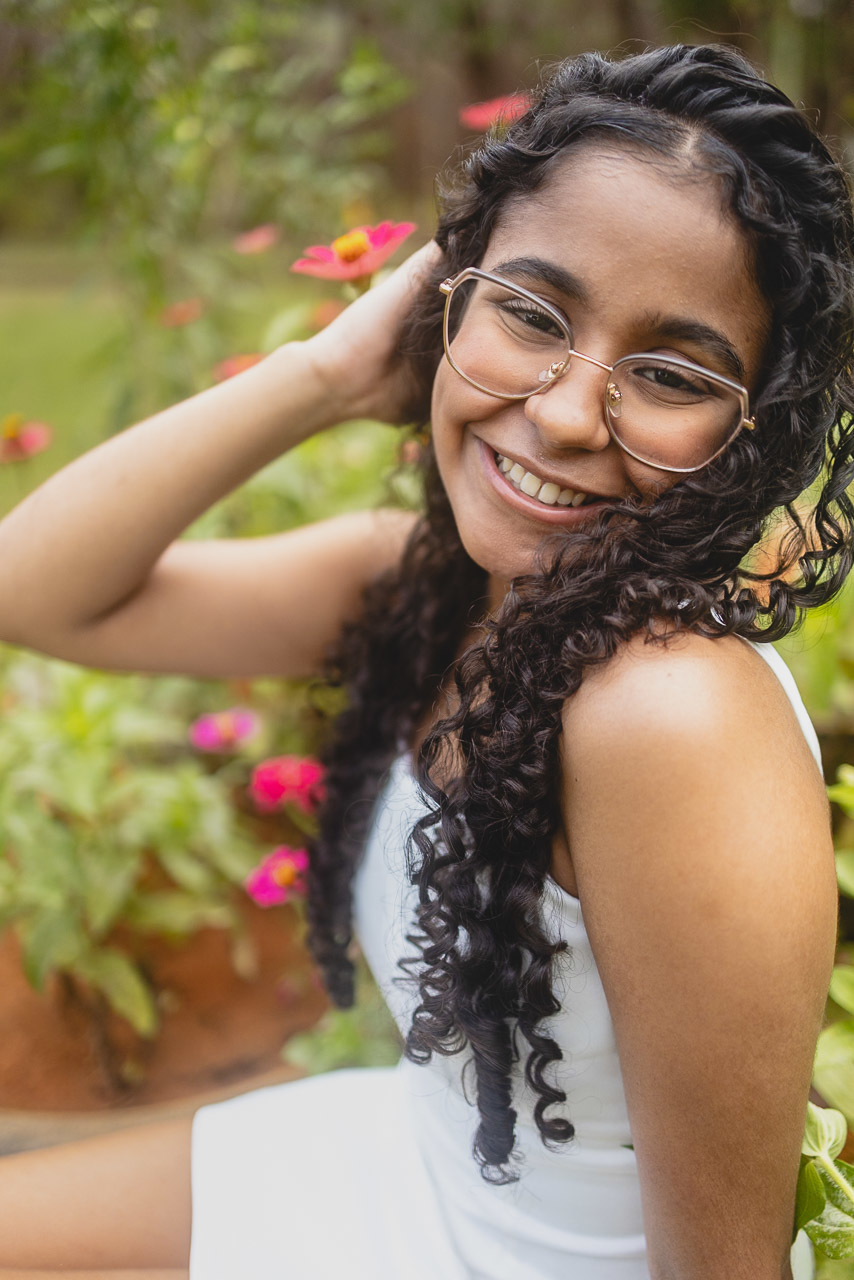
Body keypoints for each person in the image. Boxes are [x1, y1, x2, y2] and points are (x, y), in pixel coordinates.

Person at [0, 40, 849, 1280]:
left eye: (669, 374)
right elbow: (34, 588)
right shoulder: (435, 587)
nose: (562, 413)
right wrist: (325, 375)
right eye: (528, 312)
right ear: (442, 302)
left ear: (750, 436)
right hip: (407, 1163)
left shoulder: (667, 715)